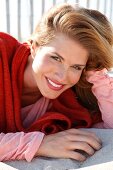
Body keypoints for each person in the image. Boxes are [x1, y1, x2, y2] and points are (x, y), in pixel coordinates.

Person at [0, 3, 113, 163]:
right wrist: (39, 144)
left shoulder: (72, 97)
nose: (61, 76)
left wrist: (96, 70)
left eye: (76, 66)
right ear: (35, 47)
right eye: (56, 58)